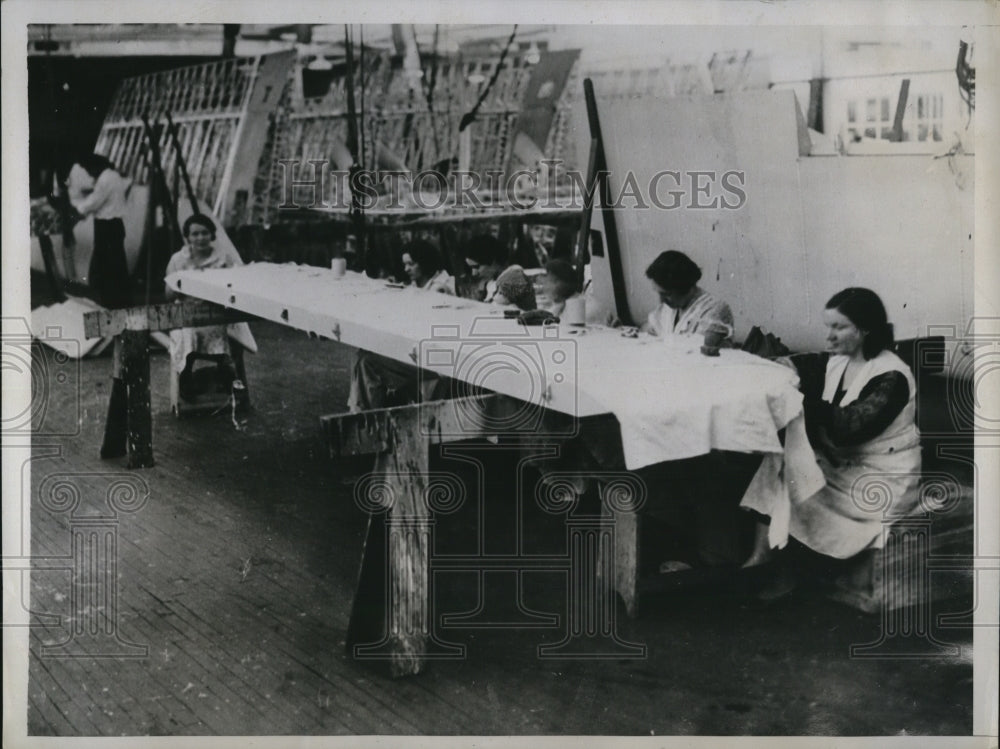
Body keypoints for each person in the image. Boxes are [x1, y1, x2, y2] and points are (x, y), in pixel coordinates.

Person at [741, 288, 921, 590]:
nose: (830, 337)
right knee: (777, 464)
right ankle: (760, 558)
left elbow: (848, 428)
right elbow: (794, 365)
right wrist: (768, 369)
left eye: (839, 327)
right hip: (843, 464)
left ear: (865, 329)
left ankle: (784, 571)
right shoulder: (838, 362)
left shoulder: (892, 376)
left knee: (797, 485)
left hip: (880, 476)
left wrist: (798, 399)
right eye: (829, 327)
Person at [347, 240, 455, 413]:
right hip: (415, 352)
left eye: (411, 264)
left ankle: (366, 416)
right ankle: (362, 413)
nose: (406, 269)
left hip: (434, 359)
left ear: (425, 262)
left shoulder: (442, 288)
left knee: (368, 362)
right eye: (405, 264)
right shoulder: (419, 284)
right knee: (363, 354)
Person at [164, 214, 257, 401]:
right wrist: (181, 283)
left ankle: (225, 374)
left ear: (212, 235)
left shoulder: (224, 257)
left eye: (205, 233)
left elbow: (237, 287)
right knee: (186, 334)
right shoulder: (178, 260)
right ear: (187, 237)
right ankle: (187, 378)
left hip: (217, 312)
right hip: (188, 314)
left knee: (231, 332)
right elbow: (168, 296)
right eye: (195, 234)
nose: (200, 238)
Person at [67, 153, 133, 309]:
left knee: (108, 265)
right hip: (113, 225)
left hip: (107, 226)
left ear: (95, 166)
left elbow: (93, 202)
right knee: (115, 264)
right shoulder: (112, 175)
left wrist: (76, 210)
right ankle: (118, 300)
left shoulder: (105, 179)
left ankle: (112, 301)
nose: (90, 174)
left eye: (89, 170)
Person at [642, 250, 733, 343]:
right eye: (660, 294)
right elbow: (648, 328)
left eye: (667, 294)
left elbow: (701, 345)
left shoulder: (715, 309)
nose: (661, 301)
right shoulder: (668, 308)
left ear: (683, 286)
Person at [464, 234, 537, 311]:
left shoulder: (514, 277)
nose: (474, 273)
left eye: (477, 267)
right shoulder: (492, 282)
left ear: (493, 262)